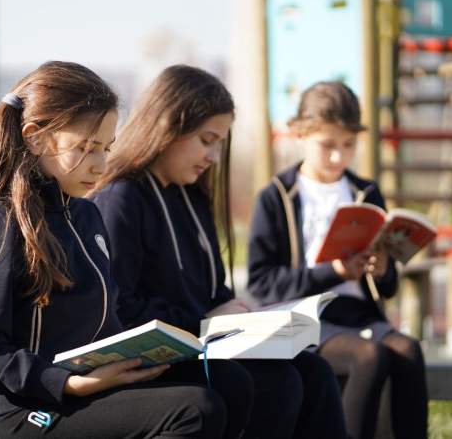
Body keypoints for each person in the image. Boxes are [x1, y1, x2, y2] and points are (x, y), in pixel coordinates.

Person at [0, 61, 254, 439]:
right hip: (31, 409)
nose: (101, 164)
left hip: (94, 383)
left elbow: (105, 321)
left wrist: (146, 352)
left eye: (106, 148)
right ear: (35, 137)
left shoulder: (89, 215)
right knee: (193, 411)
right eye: (87, 148)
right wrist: (69, 384)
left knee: (231, 381)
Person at [92, 65, 347, 439]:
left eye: (219, 143)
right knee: (277, 384)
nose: (213, 156)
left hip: (207, 343)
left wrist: (247, 319)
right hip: (158, 360)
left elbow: (214, 293)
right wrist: (205, 321)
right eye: (206, 140)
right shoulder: (121, 201)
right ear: (168, 126)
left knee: (315, 372)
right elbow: (120, 310)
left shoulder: (191, 195)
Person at [247, 81, 428, 439]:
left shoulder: (367, 191)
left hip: (361, 315)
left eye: (348, 145)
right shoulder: (277, 196)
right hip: (307, 320)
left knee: (408, 349)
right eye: (327, 145)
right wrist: (335, 272)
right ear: (298, 135)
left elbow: (387, 289)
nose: (338, 157)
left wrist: (383, 268)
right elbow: (262, 283)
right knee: (368, 357)